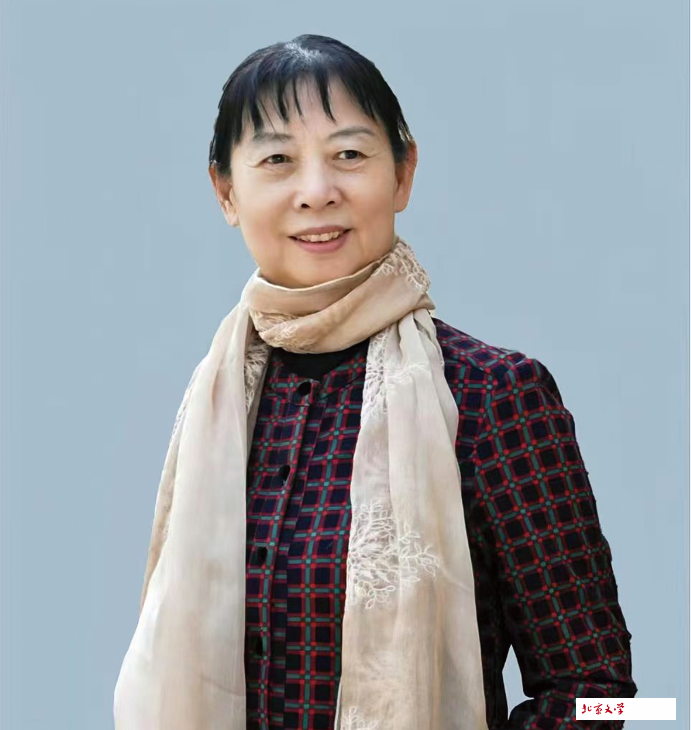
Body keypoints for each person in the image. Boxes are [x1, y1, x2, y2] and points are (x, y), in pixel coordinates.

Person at [113, 33, 637, 730]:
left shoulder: (492, 396)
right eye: (277, 160)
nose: (316, 192)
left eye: (349, 155)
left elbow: (602, 693)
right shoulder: (215, 405)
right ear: (226, 192)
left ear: (403, 173)